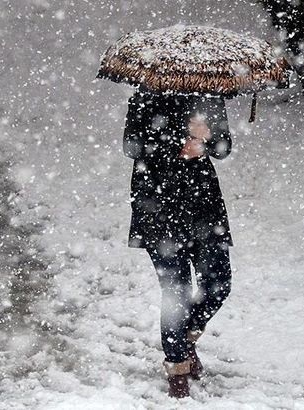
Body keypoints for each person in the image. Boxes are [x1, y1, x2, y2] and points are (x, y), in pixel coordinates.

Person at [122, 87, 233, 398]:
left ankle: (183, 339)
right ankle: (177, 370)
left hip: (204, 208)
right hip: (158, 206)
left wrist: (207, 139)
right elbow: (132, 146)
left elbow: (224, 147)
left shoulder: (209, 95)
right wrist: (179, 140)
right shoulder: (145, 96)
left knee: (219, 282)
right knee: (177, 292)